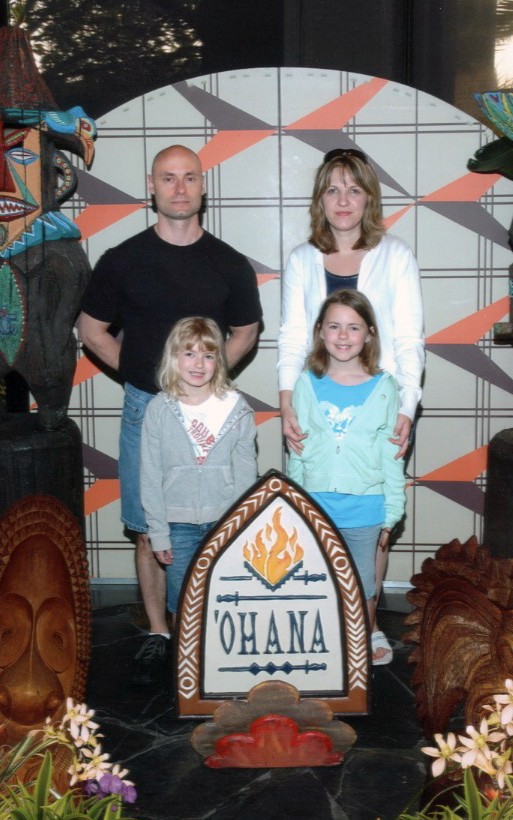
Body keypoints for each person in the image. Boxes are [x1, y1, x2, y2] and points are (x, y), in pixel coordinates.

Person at [77, 145, 262, 685]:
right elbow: (92, 330)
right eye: (168, 178)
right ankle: (159, 633)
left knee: (217, 524)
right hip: (146, 409)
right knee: (148, 526)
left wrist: (207, 381)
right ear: (151, 186)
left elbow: (247, 330)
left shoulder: (229, 263)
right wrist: (147, 376)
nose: (180, 188)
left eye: (189, 178)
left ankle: (211, 633)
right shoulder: (122, 260)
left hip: (214, 415)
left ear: (203, 186)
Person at [277, 147, 424, 661]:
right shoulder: (302, 259)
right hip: (314, 408)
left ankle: (369, 626)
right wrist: (287, 404)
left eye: (354, 189)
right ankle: (320, 626)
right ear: (320, 198)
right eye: (333, 189)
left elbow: (409, 339)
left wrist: (406, 408)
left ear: (369, 198)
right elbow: (292, 336)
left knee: (372, 527)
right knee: (315, 521)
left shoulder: (396, 255)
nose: (343, 200)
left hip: (380, 408)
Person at [287, 289, 406, 665]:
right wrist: (293, 502)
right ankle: (324, 640)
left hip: (365, 506)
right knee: (316, 579)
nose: (343, 335)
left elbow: (392, 454)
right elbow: (297, 449)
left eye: (353, 327)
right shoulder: (306, 383)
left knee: (363, 582)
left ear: (369, 334)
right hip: (316, 505)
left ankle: (364, 635)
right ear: (320, 331)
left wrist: (392, 510)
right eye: (334, 326)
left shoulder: (384, 386)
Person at [140, 317, 257, 620]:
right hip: (177, 525)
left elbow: (246, 474)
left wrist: (241, 525)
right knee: (183, 604)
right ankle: (183, 652)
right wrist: (159, 533)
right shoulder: (159, 409)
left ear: (219, 361)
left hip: (223, 521)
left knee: (224, 599)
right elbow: (150, 475)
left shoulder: (236, 408)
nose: (198, 363)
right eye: (189, 353)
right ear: (174, 357)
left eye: (208, 355)